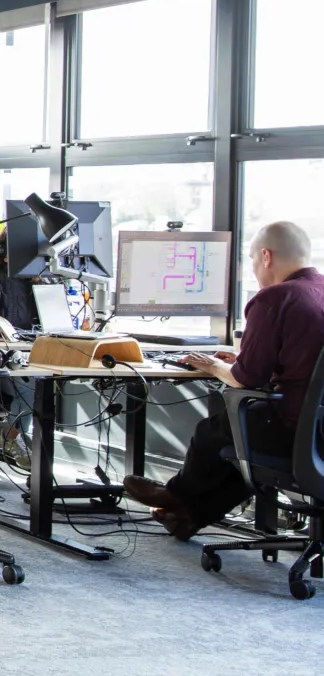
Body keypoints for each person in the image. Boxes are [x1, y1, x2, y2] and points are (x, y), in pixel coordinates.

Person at [124, 221, 324, 539]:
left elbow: (246, 379)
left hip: (295, 431)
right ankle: (188, 517)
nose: (254, 269)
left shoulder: (275, 299)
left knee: (217, 431)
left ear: (266, 256)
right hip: (319, 435)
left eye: (253, 260)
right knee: (239, 442)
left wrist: (215, 366)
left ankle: (174, 496)